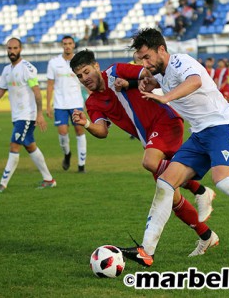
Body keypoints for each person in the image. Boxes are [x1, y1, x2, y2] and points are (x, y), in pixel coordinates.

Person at [120, 28, 229, 267]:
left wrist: (165, 97)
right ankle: (146, 251)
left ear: (161, 49)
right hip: (200, 134)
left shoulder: (181, 60)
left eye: (147, 57)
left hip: (222, 125)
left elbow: (195, 81)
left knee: (222, 180)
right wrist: (143, 84)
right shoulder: (160, 74)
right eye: (141, 59)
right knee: (165, 181)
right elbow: (156, 82)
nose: (145, 63)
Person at [69, 49, 218, 258]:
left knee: (150, 162)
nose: (84, 79)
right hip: (148, 137)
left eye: (86, 72)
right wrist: (85, 122)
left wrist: (128, 83)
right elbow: (102, 131)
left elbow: (149, 75)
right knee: (171, 196)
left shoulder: (115, 71)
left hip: (164, 120)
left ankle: (200, 190)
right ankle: (206, 236)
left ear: (96, 66)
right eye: (79, 76)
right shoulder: (92, 102)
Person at [0, 38, 56, 193]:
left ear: (21, 49)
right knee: (30, 146)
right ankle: (49, 179)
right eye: (9, 48)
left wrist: (39, 114)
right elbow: (1, 90)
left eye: (15, 48)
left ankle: (2, 184)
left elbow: (37, 93)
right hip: (17, 116)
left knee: (14, 145)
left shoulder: (27, 68)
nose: (12, 51)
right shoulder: (7, 70)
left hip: (27, 116)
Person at [46, 36, 87, 173]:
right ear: (62, 45)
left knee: (79, 131)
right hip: (59, 104)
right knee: (63, 132)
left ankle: (81, 165)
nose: (67, 46)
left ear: (74, 45)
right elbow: (50, 84)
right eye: (65, 44)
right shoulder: (54, 62)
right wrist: (48, 105)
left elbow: (86, 82)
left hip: (76, 103)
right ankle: (67, 154)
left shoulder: (80, 62)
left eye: (70, 43)